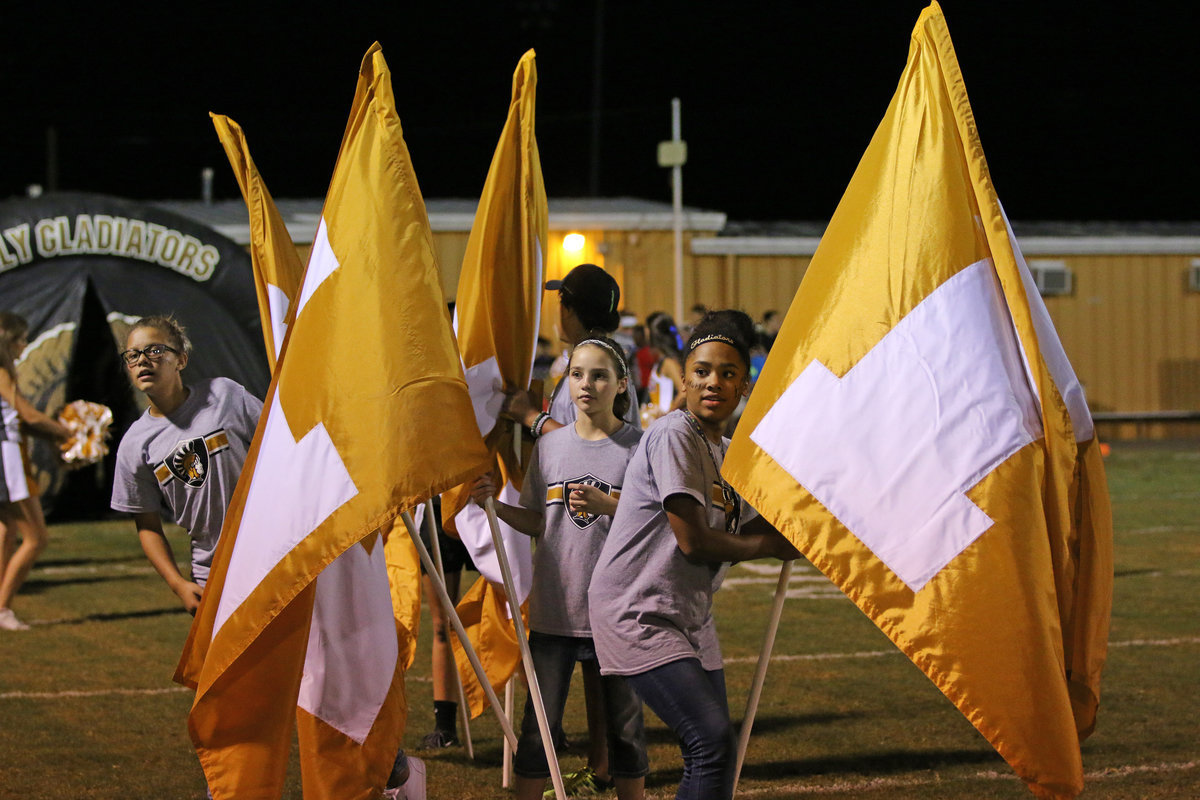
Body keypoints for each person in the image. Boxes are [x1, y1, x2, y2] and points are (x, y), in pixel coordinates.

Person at [589, 310, 801, 800]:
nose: (714, 382)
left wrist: (811, 517)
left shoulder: (725, 452)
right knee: (711, 742)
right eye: (702, 371)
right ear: (682, 379)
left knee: (715, 750)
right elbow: (695, 540)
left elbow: (750, 523)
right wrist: (771, 545)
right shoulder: (673, 434)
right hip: (637, 611)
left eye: (728, 374)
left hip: (687, 613)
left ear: (743, 387)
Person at [475, 334, 648, 800]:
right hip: (555, 611)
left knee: (625, 732)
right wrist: (497, 506)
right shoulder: (550, 449)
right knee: (537, 731)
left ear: (621, 385)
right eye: (576, 374)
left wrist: (608, 504)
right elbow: (539, 520)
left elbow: (654, 522)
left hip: (616, 612)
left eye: (598, 375)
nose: (585, 384)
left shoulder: (642, 447)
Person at [110, 315, 261, 614]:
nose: (142, 361)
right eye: (133, 355)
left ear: (180, 359)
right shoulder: (134, 444)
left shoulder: (224, 395)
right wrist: (177, 583)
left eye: (154, 350)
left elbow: (279, 444)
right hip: (211, 571)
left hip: (269, 550)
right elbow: (148, 526)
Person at [0, 312, 72, 631]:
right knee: (36, 537)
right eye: (21, 338)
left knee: (7, 533)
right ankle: (2, 609)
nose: (24, 345)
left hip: (8, 457)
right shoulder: (2, 372)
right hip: (8, 461)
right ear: (7, 341)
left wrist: (55, 434)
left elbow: (19, 421)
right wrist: (70, 433)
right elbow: (27, 416)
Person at [644, 313, 686, 422]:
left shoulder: (669, 362)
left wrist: (667, 416)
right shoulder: (661, 361)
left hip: (667, 424)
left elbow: (684, 392)